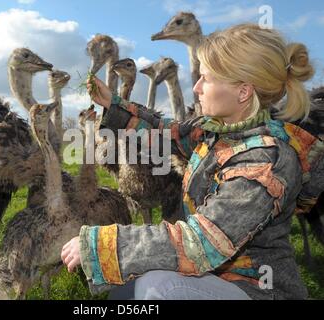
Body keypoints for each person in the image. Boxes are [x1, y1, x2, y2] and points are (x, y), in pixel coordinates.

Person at [61, 23, 323, 300]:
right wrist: (113, 104)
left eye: (206, 78)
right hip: (217, 277)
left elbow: (201, 242)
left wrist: (102, 246)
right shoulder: (219, 132)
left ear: (243, 92)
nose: (196, 87)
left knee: (160, 288)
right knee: (126, 290)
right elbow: (167, 136)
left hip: (257, 289)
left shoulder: (264, 162)